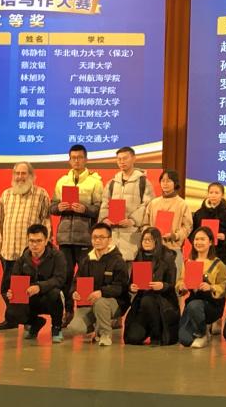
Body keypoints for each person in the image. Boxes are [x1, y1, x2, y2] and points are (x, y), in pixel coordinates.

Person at [0, 161, 51, 331]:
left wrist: (44, 247)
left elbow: (46, 222)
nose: (20, 177)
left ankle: (28, 320)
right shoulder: (6, 195)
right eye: (17, 173)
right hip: (8, 252)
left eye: (24, 173)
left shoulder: (41, 194)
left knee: (27, 291)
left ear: (31, 176)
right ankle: (16, 319)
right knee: (6, 289)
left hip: (30, 254)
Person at [52, 144, 104, 326]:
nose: (76, 161)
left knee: (84, 277)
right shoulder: (62, 181)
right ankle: (68, 311)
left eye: (80, 157)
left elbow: (100, 208)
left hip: (85, 237)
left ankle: (85, 314)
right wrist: (58, 207)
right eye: (73, 158)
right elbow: (52, 206)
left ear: (86, 159)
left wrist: (85, 209)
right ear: (69, 160)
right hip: (65, 238)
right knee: (65, 276)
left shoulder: (95, 181)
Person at [64, 222, 130, 346]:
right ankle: (97, 325)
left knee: (101, 303)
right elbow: (76, 281)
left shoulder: (118, 261)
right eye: (94, 237)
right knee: (75, 328)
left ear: (109, 240)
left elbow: (120, 287)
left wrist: (102, 292)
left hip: (113, 303)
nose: (97, 240)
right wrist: (74, 292)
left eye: (101, 237)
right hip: (89, 302)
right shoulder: (86, 260)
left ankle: (105, 334)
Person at [2, 224, 67, 342]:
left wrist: (39, 287)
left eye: (39, 241)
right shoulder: (22, 259)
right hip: (29, 296)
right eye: (31, 241)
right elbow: (15, 280)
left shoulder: (57, 256)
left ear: (46, 241)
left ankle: (56, 327)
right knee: (11, 313)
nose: (34, 244)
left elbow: (60, 279)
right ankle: (36, 323)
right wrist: (12, 292)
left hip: (49, 295)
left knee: (55, 294)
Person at [124, 227, 180, 346]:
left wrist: (162, 285)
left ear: (157, 241)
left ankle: (157, 334)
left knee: (147, 300)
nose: (146, 242)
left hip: (162, 300)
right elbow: (131, 281)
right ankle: (147, 328)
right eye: (144, 239)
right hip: (142, 301)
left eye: (150, 239)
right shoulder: (139, 256)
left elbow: (171, 284)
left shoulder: (167, 257)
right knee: (132, 338)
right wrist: (131, 287)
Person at [98, 146, 154, 261]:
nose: (122, 162)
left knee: (131, 268)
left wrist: (132, 220)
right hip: (113, 236)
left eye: (125, 158)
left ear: (134, 159)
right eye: (119, 159)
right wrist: (104, 219)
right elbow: (104, 204)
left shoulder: (143, 182)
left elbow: (148, 205)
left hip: (132, 237)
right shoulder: (112, 183)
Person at [176, 225, 226, 349]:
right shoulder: (188, 262)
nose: (198, 242)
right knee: (184, 339)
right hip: (192, 303)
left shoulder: (219, 264)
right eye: (196, 239)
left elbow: (224, 287)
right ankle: (201, 327)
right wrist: (181, 287)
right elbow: (180, 282)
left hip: (211, 305)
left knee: (195, 305)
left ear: (210, 242)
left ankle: (202, 334)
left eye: (202, 239)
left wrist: (211, 287)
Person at [142, 169, 192, 276]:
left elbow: (187, 227)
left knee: (173, 279)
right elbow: (145, 224)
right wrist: (150, 235)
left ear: (175, 183)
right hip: (153, 249)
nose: (165, 183)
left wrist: (175, 235)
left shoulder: (182, 204)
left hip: (173, 248)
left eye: (168, 181)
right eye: (163, 180)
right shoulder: (153, 203)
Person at [190, 181, 226, 270]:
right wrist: (199, 240)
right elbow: (192, 232)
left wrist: (225, 236)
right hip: (201, 253)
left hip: (222, 253)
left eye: (217, 193)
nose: (213, 195)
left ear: (222, 195)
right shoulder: (199, 213)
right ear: (207, 194)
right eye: (211, 192)